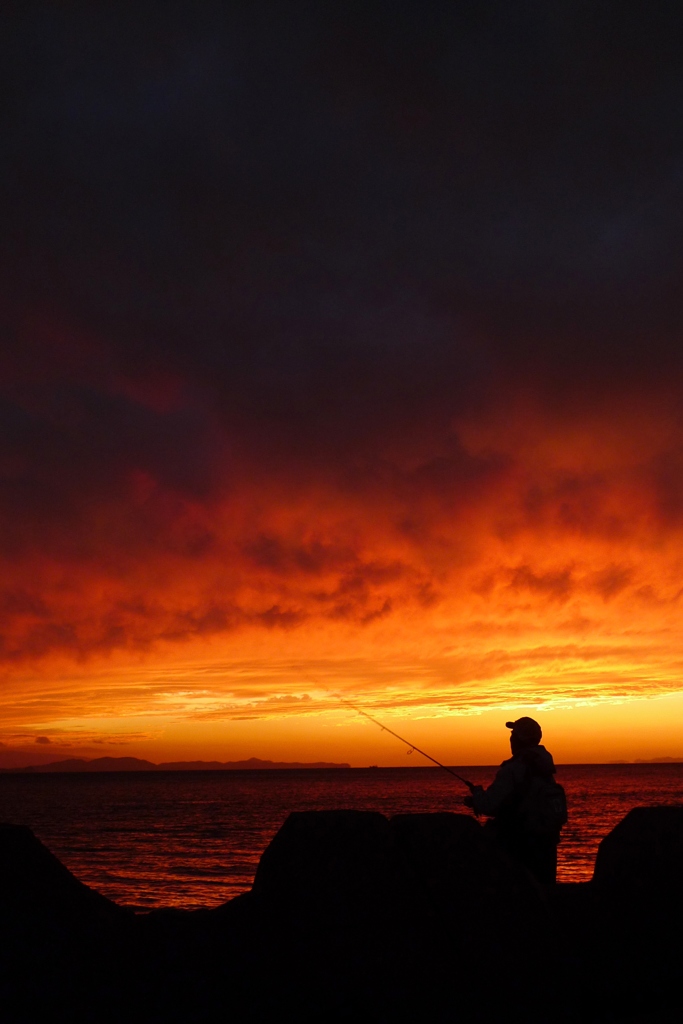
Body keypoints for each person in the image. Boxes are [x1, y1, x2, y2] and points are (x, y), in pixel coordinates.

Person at [463, 717, 565, 884]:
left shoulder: (514, 768)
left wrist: (476, 797)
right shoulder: (544, 766)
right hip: (546, 843)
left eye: (513, 735)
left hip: (520, 843)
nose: (511, 739)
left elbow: (490, 804)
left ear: (520, 739)